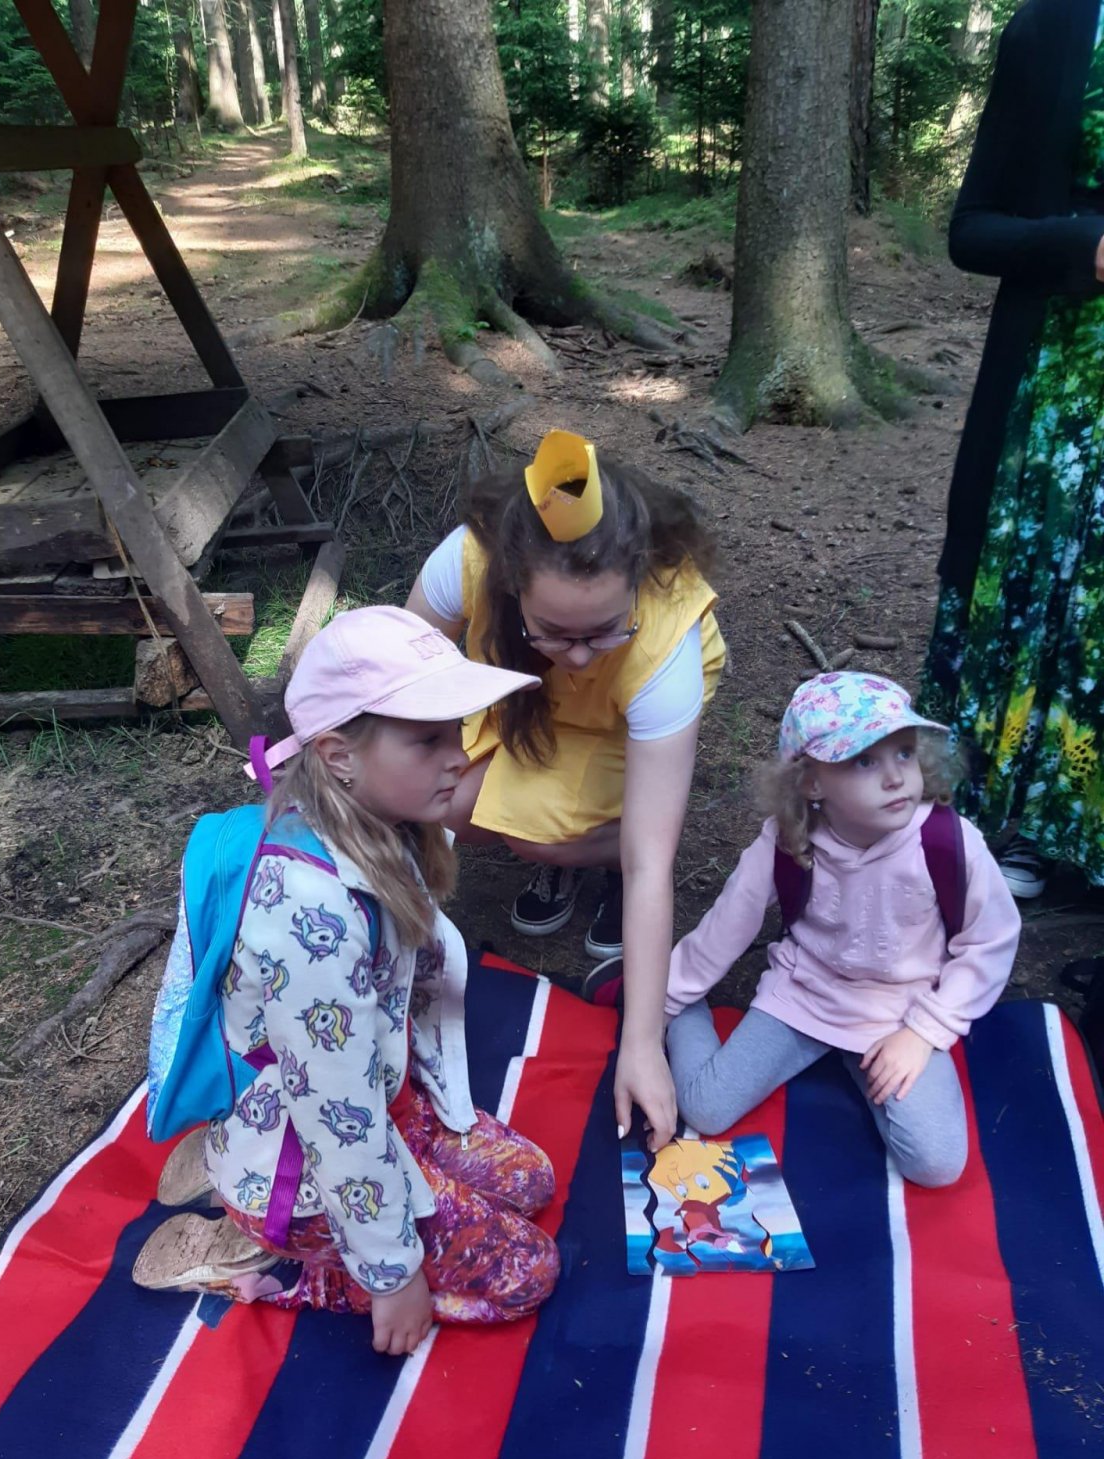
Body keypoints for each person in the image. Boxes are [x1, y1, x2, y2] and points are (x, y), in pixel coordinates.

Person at [134, 607, 560, 1356]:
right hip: (304, 1159)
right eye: (428, 739)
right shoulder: (310, 915)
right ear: (337, 756)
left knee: (531, 1180)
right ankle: (287, 1266)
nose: (459, 757)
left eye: (456, 731)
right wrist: (391, 1274)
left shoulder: (377, 819)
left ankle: (248, 1181)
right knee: (527, 1271)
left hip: (375, 1104)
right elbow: (337, 1117)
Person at [407, 430, 726, 1150]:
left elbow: (654, 864)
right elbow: (395, 682)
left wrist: (641, 1045)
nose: (579, 655)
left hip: (617, 729)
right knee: (445, 797)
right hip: (525, 706)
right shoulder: (467, 559)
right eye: (554, 632)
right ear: (512, 584)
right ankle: (564, 841)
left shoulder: (665, 645)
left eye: (604, 632)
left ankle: (591, 855)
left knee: (554, 835)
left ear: (638, 583)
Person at [663, 673, 1021, 1188]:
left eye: (904, 753)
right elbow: (726, 927)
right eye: (864, 761)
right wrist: (666, 1000)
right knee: (706, 1109)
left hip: (899, 1011)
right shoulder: (786, 840)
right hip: (805, 995)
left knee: (937, 1165)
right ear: (811, 783)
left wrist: (923, 1033)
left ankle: (860, 1063)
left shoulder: (947, 842)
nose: (896, 777)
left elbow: (990, 941)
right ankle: (688, 1015)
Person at [922, 0, 1104, 900]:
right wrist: (1083, 244)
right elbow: (973, 227)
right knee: (1061, 600)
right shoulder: (1055, 27)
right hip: (1059, 396)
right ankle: (1033, 820)